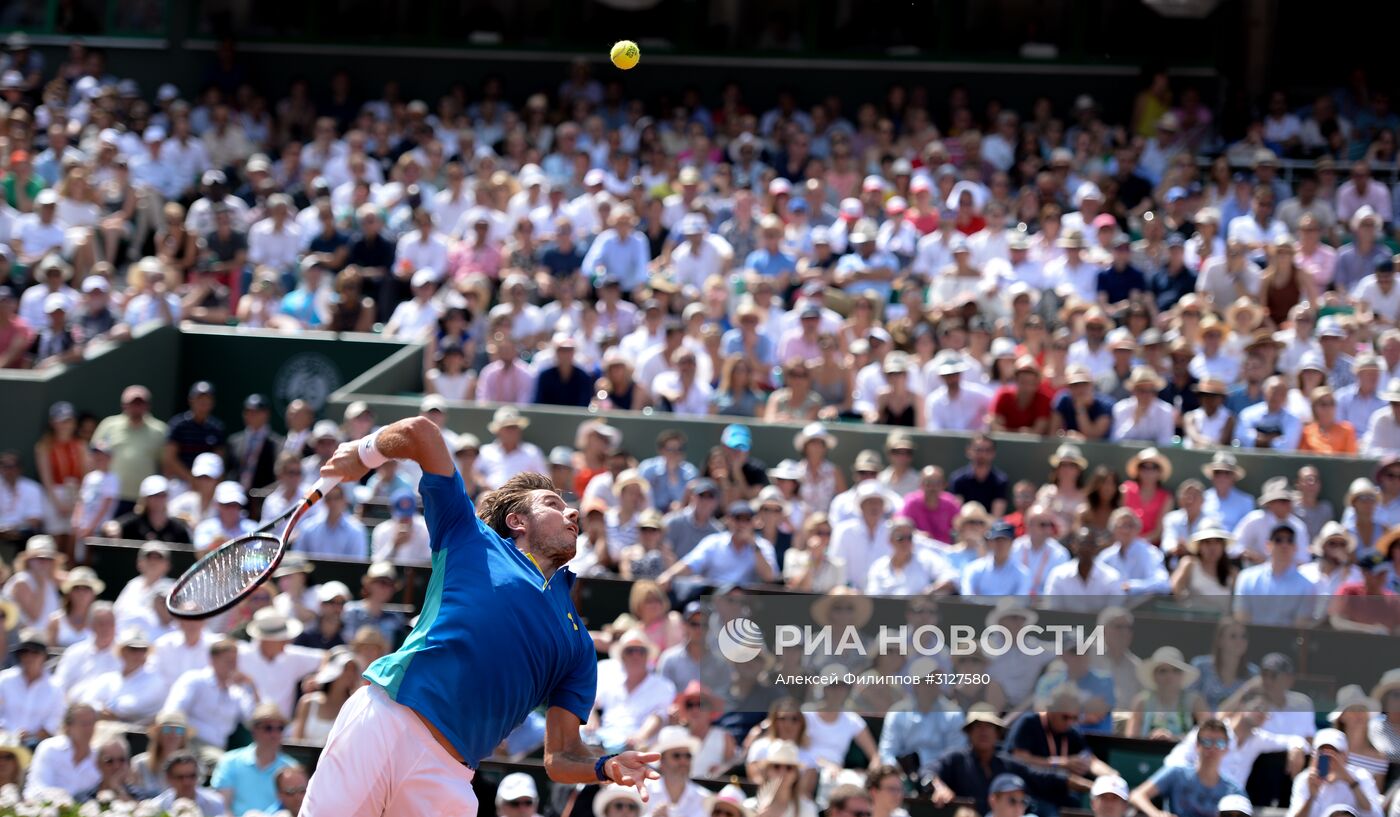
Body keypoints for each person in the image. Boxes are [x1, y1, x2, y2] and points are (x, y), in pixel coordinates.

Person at [303, 415, 659, 814]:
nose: (572, 513)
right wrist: (364, 453)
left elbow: (560, 756)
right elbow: (422, 433)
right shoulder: (468, 535)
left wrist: (605, 766)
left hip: (449, 777)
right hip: (386, 721)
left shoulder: (578, 644)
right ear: (517, 521)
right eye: (554, 505)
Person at [929, 704, 1087, 814]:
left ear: (997, 733)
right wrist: (939, 787)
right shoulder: (955, 759)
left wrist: (1092, 787)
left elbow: (1043, 777)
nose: (983, 732)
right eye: (978, 726)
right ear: (969, 732)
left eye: (988, 727)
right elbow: (928, 772)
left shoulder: (1008, 763)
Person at [1129, 718, 1244, 817]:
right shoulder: (1177, 773)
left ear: (1227, 748)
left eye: (1220, 743)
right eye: (1207, 742)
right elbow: (1137, 795)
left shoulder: (1233, 789)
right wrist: (1156, 814)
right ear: (1197, 745)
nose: (1213, 748)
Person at [1286, 729, 1383, 817]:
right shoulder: (1305, 779)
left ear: (1345, 755)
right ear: (1314, 756)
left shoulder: (1361, 776)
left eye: (1334, 753)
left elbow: (1376, 814)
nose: (1329, 759)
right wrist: (1311, 796)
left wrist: (1351, 783)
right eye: (1322, 753)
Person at [0, 630, 63, 746]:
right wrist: (9, 736)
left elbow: (53, 722)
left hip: (37, 745)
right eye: (25, 652)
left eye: (35, 652)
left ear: (44, 656)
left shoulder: (55, 687)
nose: (29, 656)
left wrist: (31, 737)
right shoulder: (4, 680)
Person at [24, 702, 99, 798]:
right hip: (44, 809)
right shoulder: (50, 748)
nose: (89, 729)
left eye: (92, 723)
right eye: (84, 724)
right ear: (68, 727)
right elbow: (37, 788)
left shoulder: (98, 757)